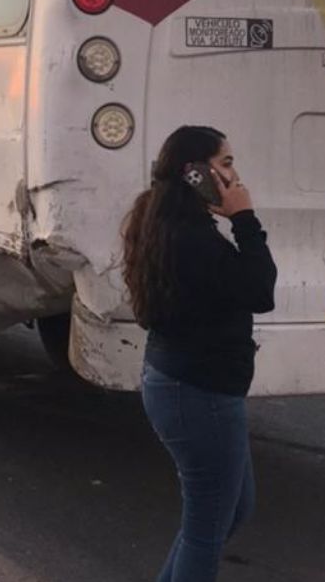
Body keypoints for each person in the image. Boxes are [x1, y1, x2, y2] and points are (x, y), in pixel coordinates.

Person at [121, 125, 277, 582]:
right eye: (225, 164)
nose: (235, 176)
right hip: (198, 394)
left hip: (192, 387)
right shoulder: (191, 237)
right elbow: (259, 289)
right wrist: (245, 218)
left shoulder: (171, 222)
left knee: (231, 512)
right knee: (206, 530)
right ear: (194, 174)